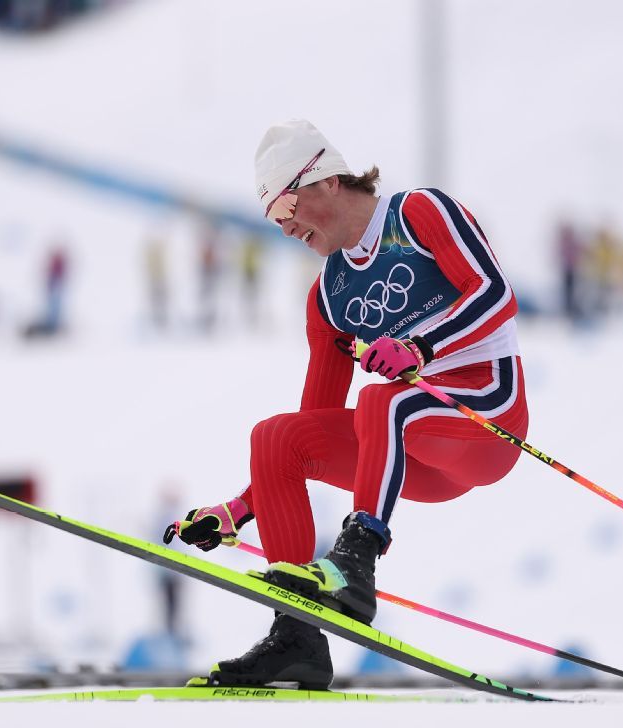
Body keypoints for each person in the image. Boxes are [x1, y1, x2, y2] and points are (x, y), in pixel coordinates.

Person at [163, 119, 527, 689]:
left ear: (325, 180)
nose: (283, 228)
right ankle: (297, 636)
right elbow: (314, 425)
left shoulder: (418, 215)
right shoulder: (329, 296)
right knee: (277, 437)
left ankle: (357, 561)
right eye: (272, 220)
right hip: (411, 454)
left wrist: (418, 347)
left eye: (285, 208)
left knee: (383, 400)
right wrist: (240, 509)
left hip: (485, 417)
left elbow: (496, 295)